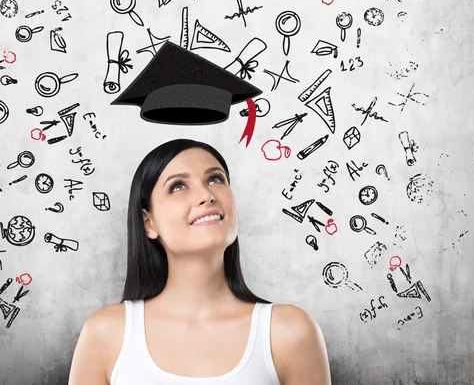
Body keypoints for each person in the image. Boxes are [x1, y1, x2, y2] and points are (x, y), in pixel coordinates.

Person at [68, 138, 331, 384]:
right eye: (178, 186)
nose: (207, 195)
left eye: (216, 179)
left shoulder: (290, 332)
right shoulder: (106, 333)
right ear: (148, 222)